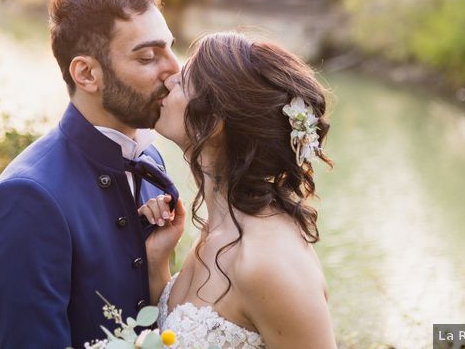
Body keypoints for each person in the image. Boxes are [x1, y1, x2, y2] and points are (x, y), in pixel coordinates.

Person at [0, 0, 181, 348]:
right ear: (86, 74)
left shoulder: (150, 158)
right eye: (149, 57)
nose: (174, 69)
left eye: (169, 49)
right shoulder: (24, 199)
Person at [139, 32, 337, 349]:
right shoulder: (220, 228)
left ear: (214, 121)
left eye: (185, 79)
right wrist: (157, 262)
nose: (170, 79)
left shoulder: (268, 261)